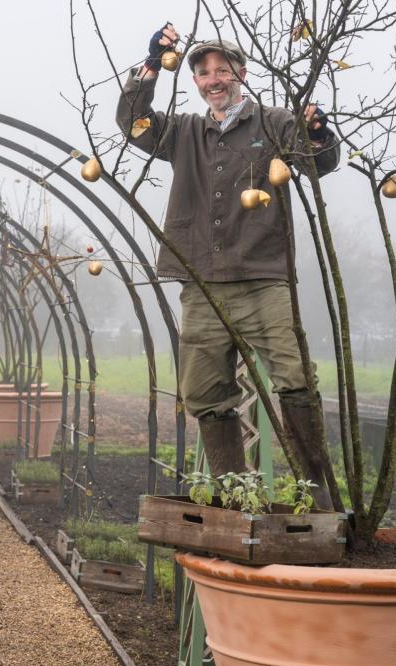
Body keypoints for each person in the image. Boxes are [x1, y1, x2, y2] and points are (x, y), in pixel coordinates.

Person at [116, 24, 340, 508]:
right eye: (203, 72)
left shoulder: (275, 123)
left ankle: (317, 492)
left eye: (223, 70)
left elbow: (318, 162)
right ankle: (236, 497)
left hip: (264, 278)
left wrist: (318, 131)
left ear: (241, 73)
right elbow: (133, 122)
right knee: (204, 390)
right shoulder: (184, 133)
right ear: (195, 80)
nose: (214, 79)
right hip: (203, 283)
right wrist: (151, 65)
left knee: (295, 377)